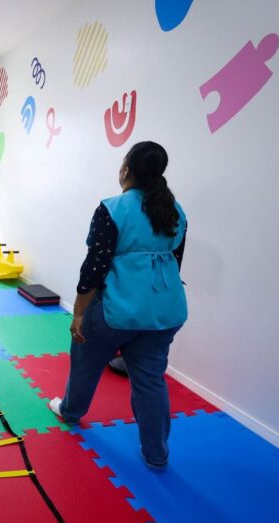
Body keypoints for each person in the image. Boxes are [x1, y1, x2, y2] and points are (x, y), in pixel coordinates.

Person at [49, 141, 187, 470]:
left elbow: (94, 269)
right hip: (165, 312)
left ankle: (70, 411)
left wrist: (78, 313)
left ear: (125, 170)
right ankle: (157, 454)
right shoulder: (175, 210)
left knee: (85, 364)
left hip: (117, 310)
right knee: (151, 382)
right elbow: (175, 262)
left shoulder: (113, 208)